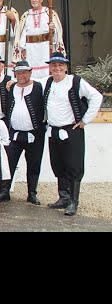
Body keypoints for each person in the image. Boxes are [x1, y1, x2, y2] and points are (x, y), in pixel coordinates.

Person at [42, 51, 102, 216]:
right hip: (54, 130)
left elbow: (96, 97)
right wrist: (12, 82)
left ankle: (74, 202)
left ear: (66, 67)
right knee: (58, 164)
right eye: (54, 65)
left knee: (74, 166)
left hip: (72, 130)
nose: (57, 68)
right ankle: (63, 197)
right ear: (50, 68)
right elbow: (28, 83)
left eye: (60, 65)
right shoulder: (48, 82)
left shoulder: (75, 81)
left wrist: (85, 120)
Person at [0, 60, 45, 204]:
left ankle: (32, 193)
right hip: (15, 133)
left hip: (34, 134)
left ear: (30, 72)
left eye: (24, 72)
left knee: (34, 164)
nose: (21, 75)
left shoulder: (39, 87)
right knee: (8, 163)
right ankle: (4, 191)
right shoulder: (11, 88)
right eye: (18, 72)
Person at [15, 0, 65, 79]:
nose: (34, 0)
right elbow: (22, 33)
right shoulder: (26, 15)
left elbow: (58, 31)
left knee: (46, 70)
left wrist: (53, 30)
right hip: (31, 49)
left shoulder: (50, 13)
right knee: (32, 71)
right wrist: (23, 48)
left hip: (45, 47)